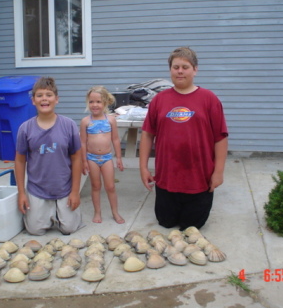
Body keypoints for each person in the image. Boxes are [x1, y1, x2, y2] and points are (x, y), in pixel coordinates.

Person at [139, 47, 228, 230]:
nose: (180, 71)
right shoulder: (159, 100)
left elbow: (220, 138)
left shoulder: (209, 99)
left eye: (185, 67)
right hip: (166, 179)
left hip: (199, 180)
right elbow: (148, 134)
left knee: (192, 228)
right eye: (176, 67)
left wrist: (218, 172)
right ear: (170, 70)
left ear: (195, 70)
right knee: (165, 223)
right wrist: (143, 167)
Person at [14, 77, 84, 235]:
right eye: (39, 95)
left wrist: (75, 192)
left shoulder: (69, 125)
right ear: (33, 101)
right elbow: (19, 161)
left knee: (69, 229)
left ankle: (61, 213)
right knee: (35, 230)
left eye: (48, 94)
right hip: (37, 189)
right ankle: (48, 212)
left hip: (64, 187)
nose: (44, 98)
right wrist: (21, 193)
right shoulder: (25, 129)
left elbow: (76, 158)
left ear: (56, 99)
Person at [80, 86, 125, 224]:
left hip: (107, 158)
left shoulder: (110, 120)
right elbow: (82, 142)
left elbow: (115, 139)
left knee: (110, 186)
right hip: (92, 158)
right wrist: (84, 161)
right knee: (95, 186)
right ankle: (97, 213)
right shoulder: (86, 121)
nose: (95, 105)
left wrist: (118, 157)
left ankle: (115, 212)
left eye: (98, 102)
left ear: (105, 103)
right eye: (92, 102)